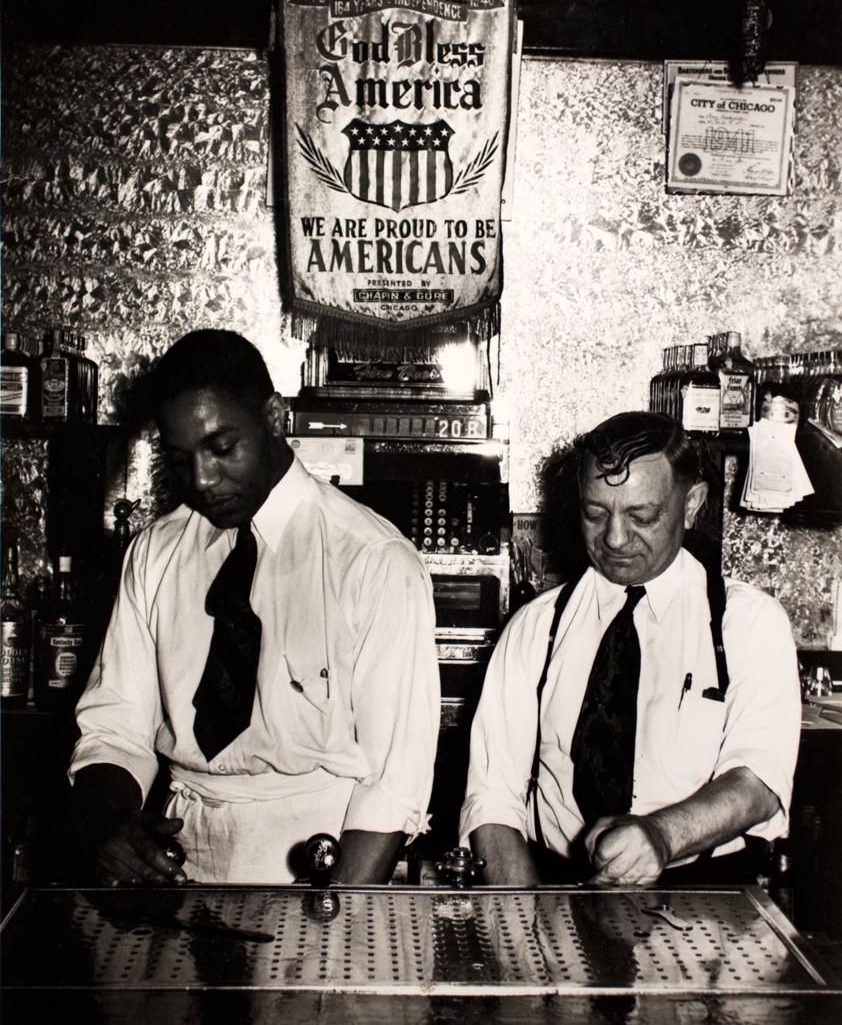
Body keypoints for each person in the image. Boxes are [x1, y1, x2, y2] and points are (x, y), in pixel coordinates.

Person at [70, 329, 440, 885]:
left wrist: (335, 920)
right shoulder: (155, 553)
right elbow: (115, 726)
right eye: (180, 458)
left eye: (222, 449)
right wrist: (111, 823)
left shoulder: (371, 560)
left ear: (274, 417)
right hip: (179, 855)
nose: (201, 480)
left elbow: (393, 784)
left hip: (321, 860)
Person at [460, 411, 801, 886]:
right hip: (558, 894)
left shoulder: (748, 624)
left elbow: (758, 780)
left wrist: (661, 836)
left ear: (691, 504)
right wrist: (523, 928)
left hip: (706, 908)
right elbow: (493, 799)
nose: (615, 538)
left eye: (642, 515)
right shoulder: (535, 630)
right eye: (595, 513)